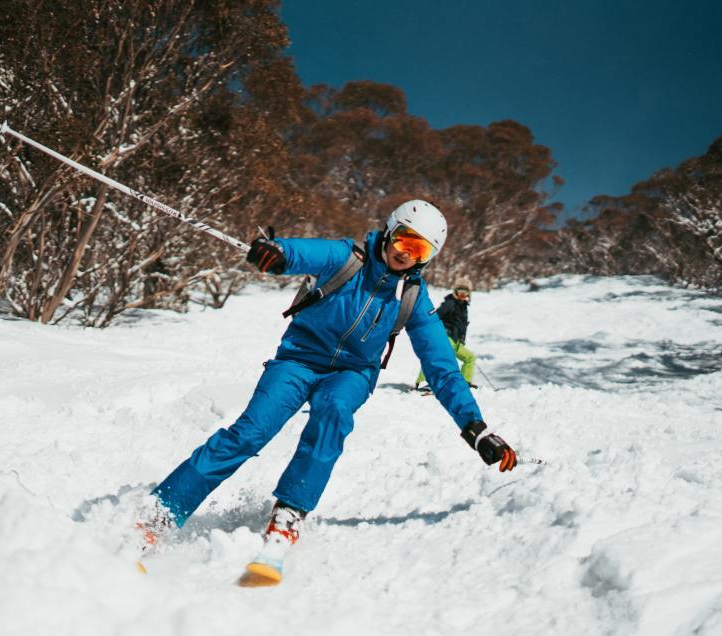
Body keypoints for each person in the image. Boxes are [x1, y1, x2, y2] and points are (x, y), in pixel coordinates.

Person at [139, 200, 518, 582]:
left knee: (333, 411)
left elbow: (443, 368)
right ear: (389, 230)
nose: (405, 254)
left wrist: (475, 426)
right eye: (403, 240)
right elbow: (302, 253)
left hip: (351, 373)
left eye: (419, 250)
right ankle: (162, 512)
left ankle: (289, 511)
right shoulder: (346, 258)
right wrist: (277, 253)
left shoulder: (413, 299)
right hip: (298, 361)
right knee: (250, 432)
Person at [415, 276, 476, 391]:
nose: (462, 296)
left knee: (470, 357)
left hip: (455, 341)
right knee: (437, 357)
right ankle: (424, 382)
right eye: (460, 292)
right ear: (455, 292)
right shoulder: (450, 303)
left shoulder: (463, 307)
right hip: (445, 337)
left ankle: (465, 382)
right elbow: (435, 316)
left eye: (465, 293)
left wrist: (461, 340)